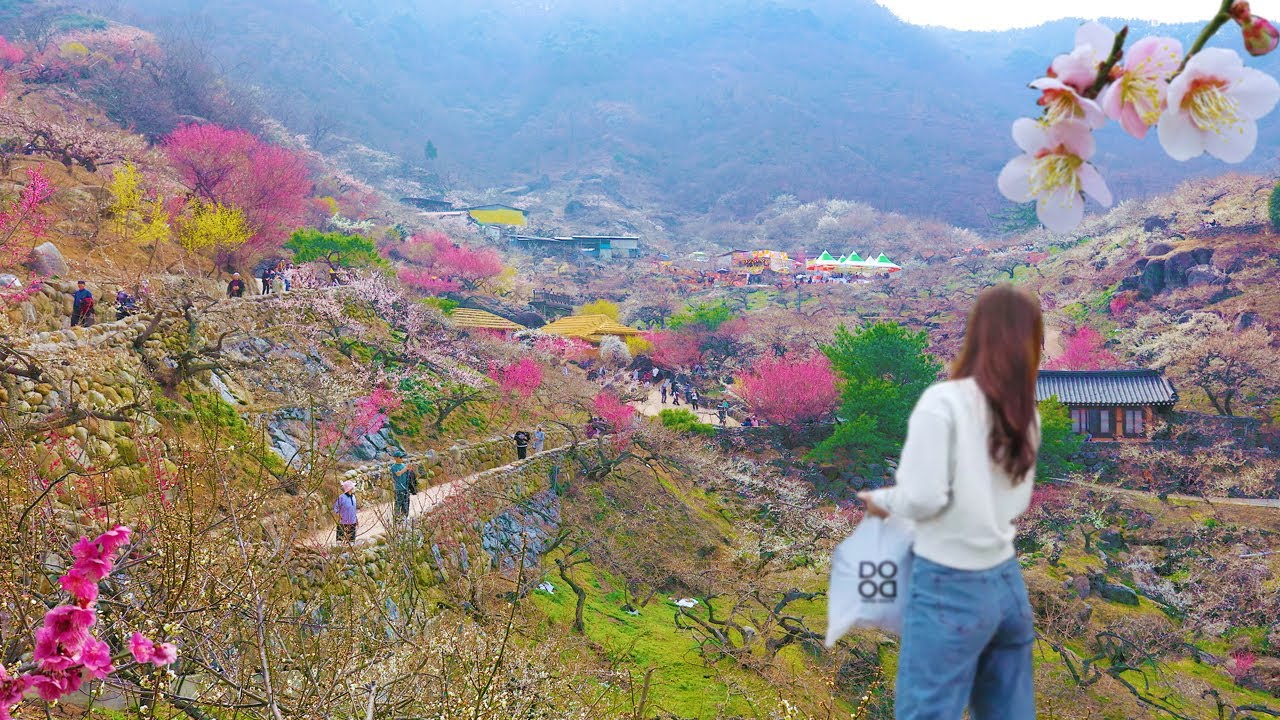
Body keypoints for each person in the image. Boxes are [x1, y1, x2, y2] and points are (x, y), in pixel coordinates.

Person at [858, 283, 1041, 720]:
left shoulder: (943, 401)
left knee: (926, 712)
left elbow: (923, 498)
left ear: (975, 334)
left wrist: (882, 500)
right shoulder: (1023, 412)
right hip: (1006, 583)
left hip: (950, 583)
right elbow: (1017, 502)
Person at [390, 450, 417, 520]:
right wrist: (405, 469)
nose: (402, 459)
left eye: (402, 457)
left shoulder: (404, 466)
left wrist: (410, 469)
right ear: (396, 458)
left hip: (406, 488)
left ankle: (404, 518)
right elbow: (398, 474)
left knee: (406, 505)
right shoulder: (393, 467)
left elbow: (409, 476)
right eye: (400, 457)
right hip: (398, 489)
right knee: (398, 504)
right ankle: (397, 519)